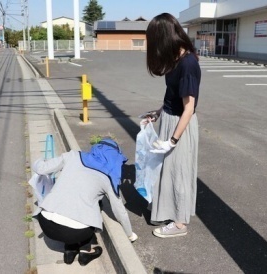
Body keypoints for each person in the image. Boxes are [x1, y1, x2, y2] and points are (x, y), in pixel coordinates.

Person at [31, 138, 138, 266]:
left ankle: (70, 250)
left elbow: (41, 168)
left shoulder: (73, 155)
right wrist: (129, 234)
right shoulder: (108, 178)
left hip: (46, 225)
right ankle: (85, 251)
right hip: (76, 233)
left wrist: (39, 161)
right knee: (97, 204)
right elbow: (120, 212)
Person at [143, 13, 201, 238]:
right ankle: (167, 208)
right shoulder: (175, 60)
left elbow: (188, 108)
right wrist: (158, 113)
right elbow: (172, 95)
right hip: (169, 118)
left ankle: (179, 224)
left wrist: (173, 140)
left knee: (178, 172)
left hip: (180, 125)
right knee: (166, 170)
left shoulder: (188, 64)